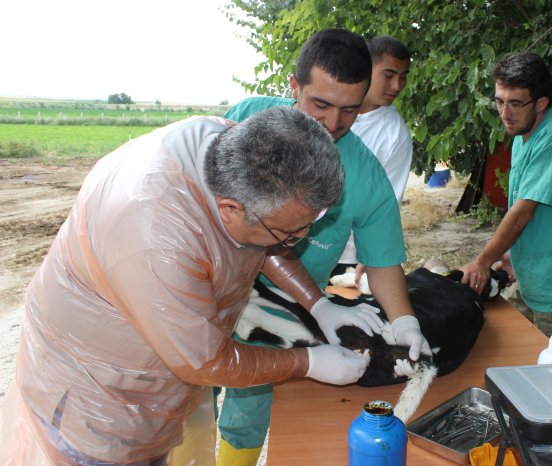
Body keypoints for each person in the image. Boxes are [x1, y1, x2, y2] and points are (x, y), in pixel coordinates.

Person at [0, 107, 373, 465]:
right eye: (292, 233)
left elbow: (269, 237)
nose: (302, 238)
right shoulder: (154, 233)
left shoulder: (233, 148)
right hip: (96, 396)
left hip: (157, 370)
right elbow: (205, 360)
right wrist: (307, 362)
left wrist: (319, 304)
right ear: (231, 208)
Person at [217, 28, 430, 466]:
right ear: (294, 87)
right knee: (187, 386)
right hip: (213, 284)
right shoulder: (245, 122)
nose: (333, 125)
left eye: (349, 110)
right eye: (321, 105)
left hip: (289, 308)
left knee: (248, 400)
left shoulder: (365, 176)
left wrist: (405, 322)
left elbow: (383, 259)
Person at [458, 51, 552, 355]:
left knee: (550, 380)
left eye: (515, 103)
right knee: (508, 353)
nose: (505, 112)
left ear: (541, 103)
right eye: (499, 100)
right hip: (533, 278)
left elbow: (524, 211)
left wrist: (482, 261)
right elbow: (532, 204)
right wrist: (512, 251)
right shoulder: (523, 136)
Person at [336, 35, 413, 276]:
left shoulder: (395, 134)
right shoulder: (332, 107)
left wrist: (372, 254)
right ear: (366, 68)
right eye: (389, 75)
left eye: (403, 77)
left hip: (348, 255)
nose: (397, 86)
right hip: (297, 241)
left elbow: (387, 201)